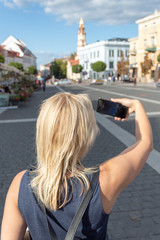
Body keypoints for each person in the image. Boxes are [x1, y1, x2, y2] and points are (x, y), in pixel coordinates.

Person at [1, 92, 153, 240]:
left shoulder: (20, 184)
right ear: (85, 134)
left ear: (42, 130)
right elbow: (144, 143)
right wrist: (136, 105)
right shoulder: (105, 179)